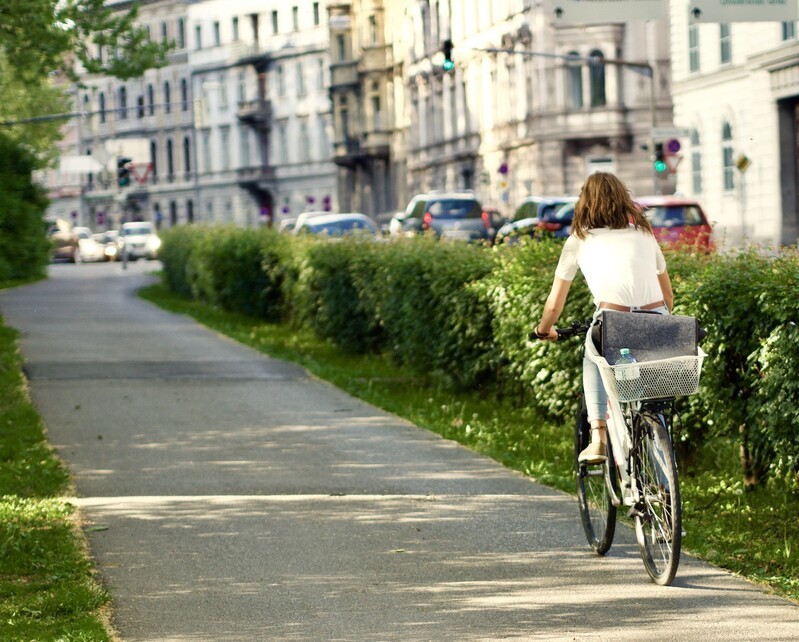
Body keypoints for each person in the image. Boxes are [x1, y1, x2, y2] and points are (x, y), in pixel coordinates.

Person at [533, 172, 674, 464]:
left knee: (592, 354)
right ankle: (663, 468)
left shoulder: (579, 239)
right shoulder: (644, 234)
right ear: (623, 199)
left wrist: (544, 329)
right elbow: (668, 296)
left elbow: (554, 306)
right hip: (658, 318)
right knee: (651, 398)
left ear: (585, 203)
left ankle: (598, 437)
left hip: (614, 321)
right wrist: (658, 321)